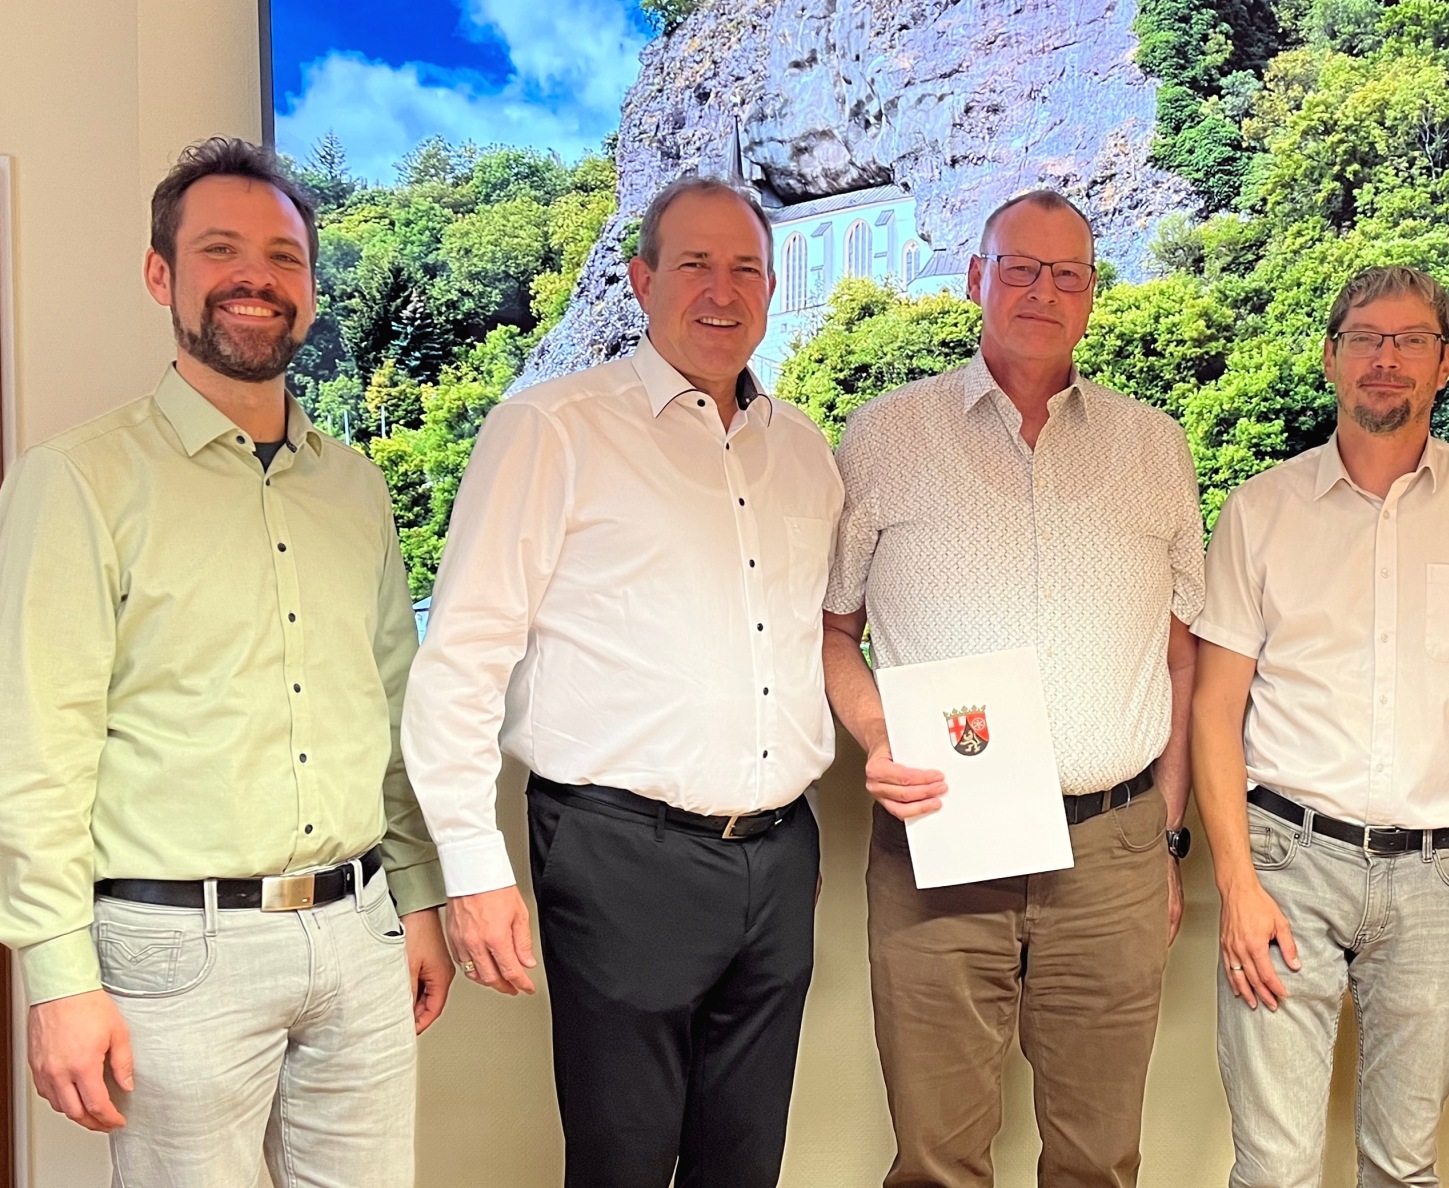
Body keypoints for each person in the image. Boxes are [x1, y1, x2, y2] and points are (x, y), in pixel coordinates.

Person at [0, 138, 450, 1186]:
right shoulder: (75, 481)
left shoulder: (356, 488)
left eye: (284, 257)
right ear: (162, 274)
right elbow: (38, 747)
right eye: (220, 250)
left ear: (310, 285)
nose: (258, 277)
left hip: (361, 931)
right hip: (173, 955)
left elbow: (391, 704)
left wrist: (419, 897)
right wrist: (56, 979)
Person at [402, 175, 841, 1188]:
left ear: (772, 290)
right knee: (624, 1164)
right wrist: (471, 867)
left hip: (778, 862)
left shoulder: (806, 453)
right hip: (618, 855)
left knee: (746, 1164)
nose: (721, 291)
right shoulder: (552, 429)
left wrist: (786, 814)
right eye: (693, 264)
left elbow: (794, 646)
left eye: (746, 268)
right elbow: (462, 656)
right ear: (641, 280)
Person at [823, 189, 1206, 1188]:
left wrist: (1165, 836)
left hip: (1111, 852)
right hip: (940, 843)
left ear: (1091, 296)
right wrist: (876, 735)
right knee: (937, 1158)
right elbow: (833, 632)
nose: (1043, 290)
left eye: (1067, 273)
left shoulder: (1155, 445)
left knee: (1096, 1161)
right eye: (1019, 268)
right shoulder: (883, 437)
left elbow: (1180, 656)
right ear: (974, 280)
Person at [1189, 265, 1449, 1187]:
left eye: (1411, 341)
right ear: (1331, 358)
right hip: (1287, 863)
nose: (1386, 359)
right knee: (1275, 1167)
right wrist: (1238, 882)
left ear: (1445, 363)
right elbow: (1215, 705)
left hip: (1440, 872)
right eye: (1365, 337)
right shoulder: (1261, 510)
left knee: (1403, 1166)